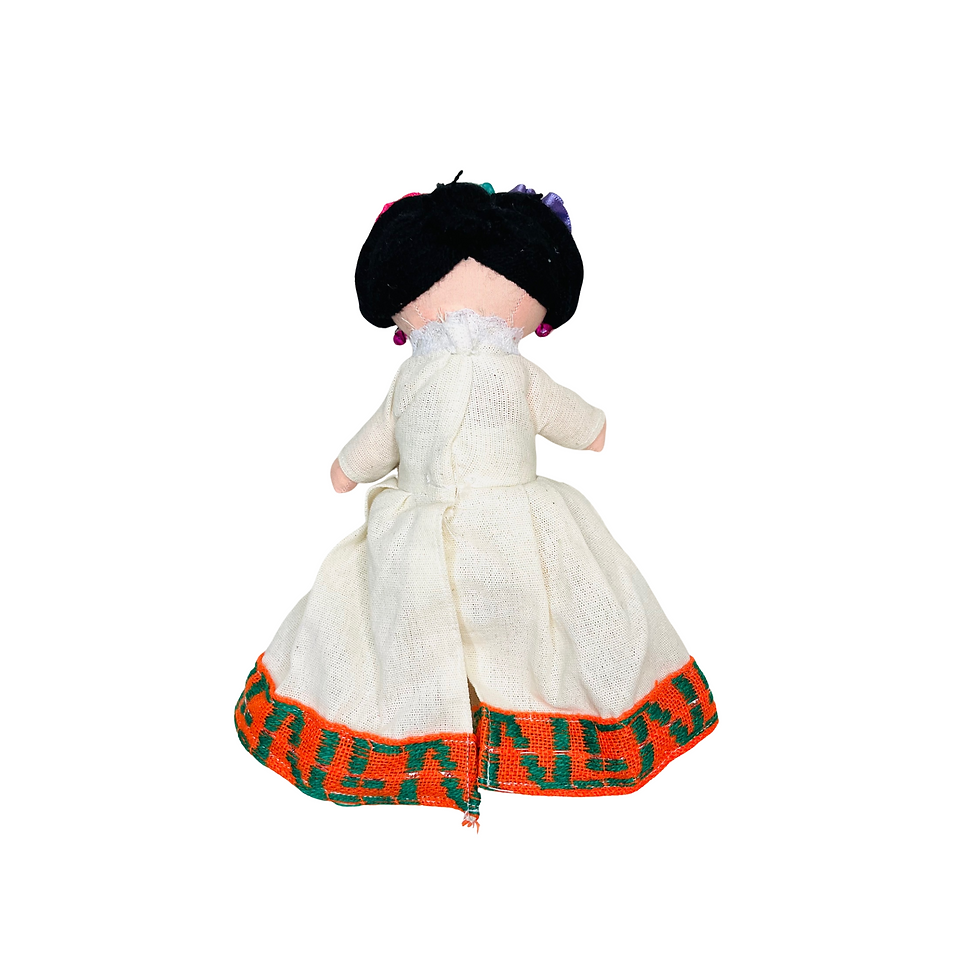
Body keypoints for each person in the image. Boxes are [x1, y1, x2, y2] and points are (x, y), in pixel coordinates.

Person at [234, 177, 718, 828]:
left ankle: (513, 729)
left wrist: (349, 471)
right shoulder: (414, 380)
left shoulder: (512, 375)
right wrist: (351, 467)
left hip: (515, 523)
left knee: (534, 615)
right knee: (401, 620)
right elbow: (381, 436)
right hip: (418, 523)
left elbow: (566, 416)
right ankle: (436, 731)